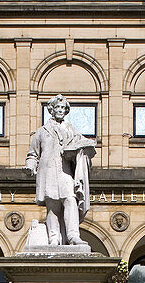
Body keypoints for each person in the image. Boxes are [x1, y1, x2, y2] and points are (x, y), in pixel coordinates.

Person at [24, 94, 96, 246]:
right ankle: (54, 238)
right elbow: (33, 154)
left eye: (63, 108)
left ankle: (73, 236)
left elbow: (84, 145)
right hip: (48, 172)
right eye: (57, 107)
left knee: (70, 199)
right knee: (53, 206)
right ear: (51, 110)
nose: (60, 110)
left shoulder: (72, 130)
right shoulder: (42, 131)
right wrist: (30, 166)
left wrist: (83, 150)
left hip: (66, 172)